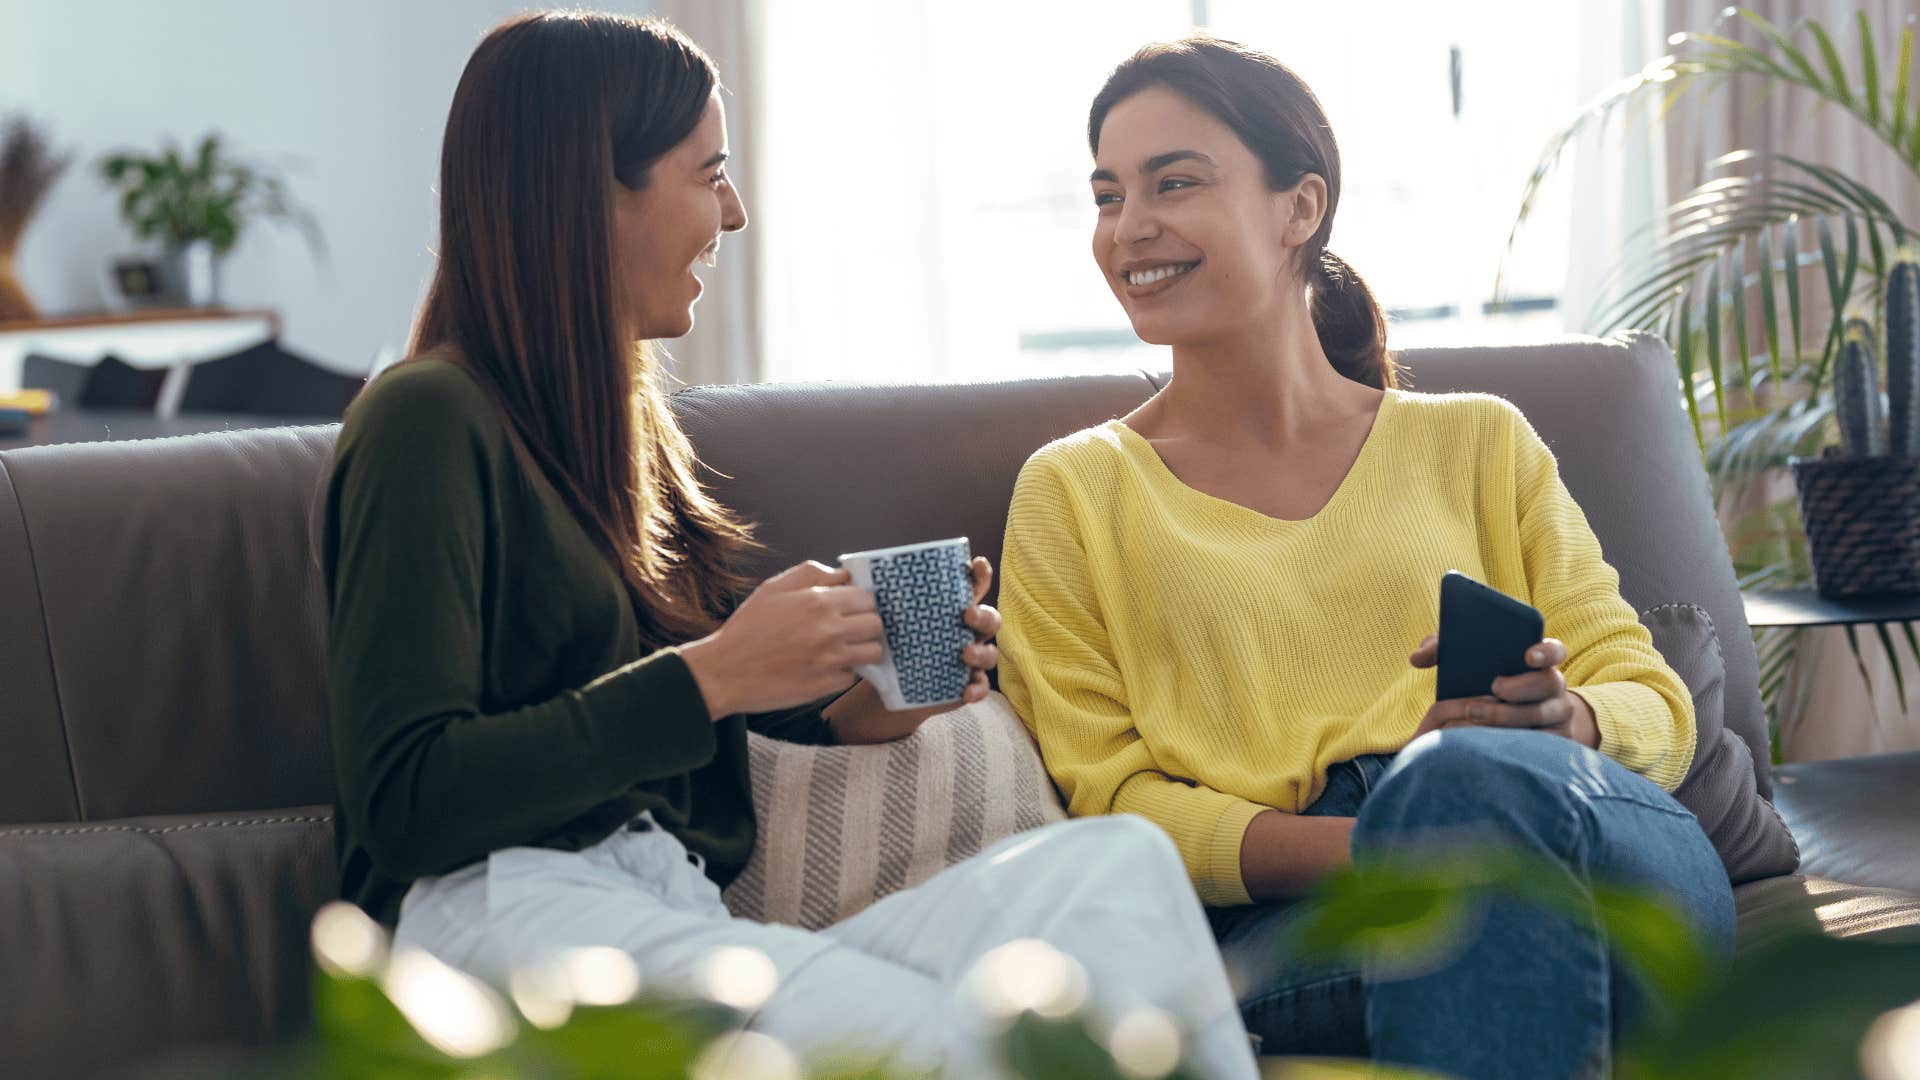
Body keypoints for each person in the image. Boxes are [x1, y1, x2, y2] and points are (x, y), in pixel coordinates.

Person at [321, 13, 1256, 1077]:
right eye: (706, 172)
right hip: (494, 924)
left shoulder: (618, 438)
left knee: (1116, 872)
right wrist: (713, 675)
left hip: (665, 906)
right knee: (966, 1041)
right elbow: (405, 802)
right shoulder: (427, 417)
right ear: (589, 192)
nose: (734, 210)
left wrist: (857, 708)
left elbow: (667, 723)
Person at [996, 36, 1734, 1079]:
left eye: (1175, 183)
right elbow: (1110, 796)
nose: (1131, 228)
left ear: (1300, 208)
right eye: (1109, 195)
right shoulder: (1076, 490)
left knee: (1476, 779)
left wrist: (1569, 721)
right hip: (1314, 905)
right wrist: (1396, 846)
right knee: (1475, 858)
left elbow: (1653, 701)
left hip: (1586, 829)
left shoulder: (1479, 439)